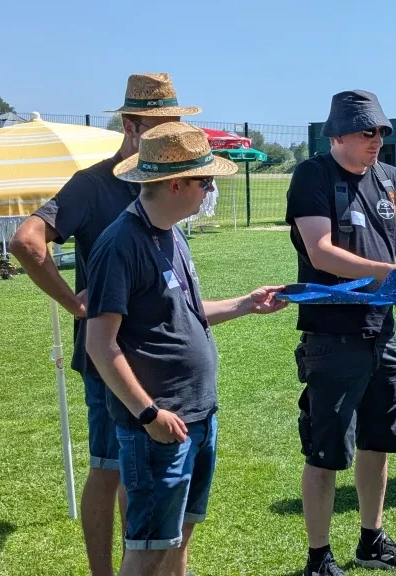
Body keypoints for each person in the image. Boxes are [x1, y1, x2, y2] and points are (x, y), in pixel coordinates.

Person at [9, 72, 199, 576]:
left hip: (159, 361)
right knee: (110, 468)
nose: (172, 133)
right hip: (110, 357)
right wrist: (75, 304)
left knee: (140, 475)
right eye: (163, 124)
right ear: (133, 126)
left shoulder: (161, 180)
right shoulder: (93, 185)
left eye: (177, 123)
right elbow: (27, 240)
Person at [85, 122, 287, 576]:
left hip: (197, 415)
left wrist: (244, 304)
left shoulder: (171, 233)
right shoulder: (120, 245)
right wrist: (148, 414)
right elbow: (100, 343)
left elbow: (184, 313)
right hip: (159, 425)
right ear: (175, 184)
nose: (210, 190)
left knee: (178, 539)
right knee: (148, 549)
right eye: (205, 181)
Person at [285, 89, 396, 576]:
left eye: (382, 131)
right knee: (326, 451)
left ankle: (371, 539)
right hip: (331, 336)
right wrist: (391, 275)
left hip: (382, 332)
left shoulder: (392, 179)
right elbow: (320, 252)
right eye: (367, 132)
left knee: (379, 440)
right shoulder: (312, 176)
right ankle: (318, 558)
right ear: (337, 134)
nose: (377, 140)